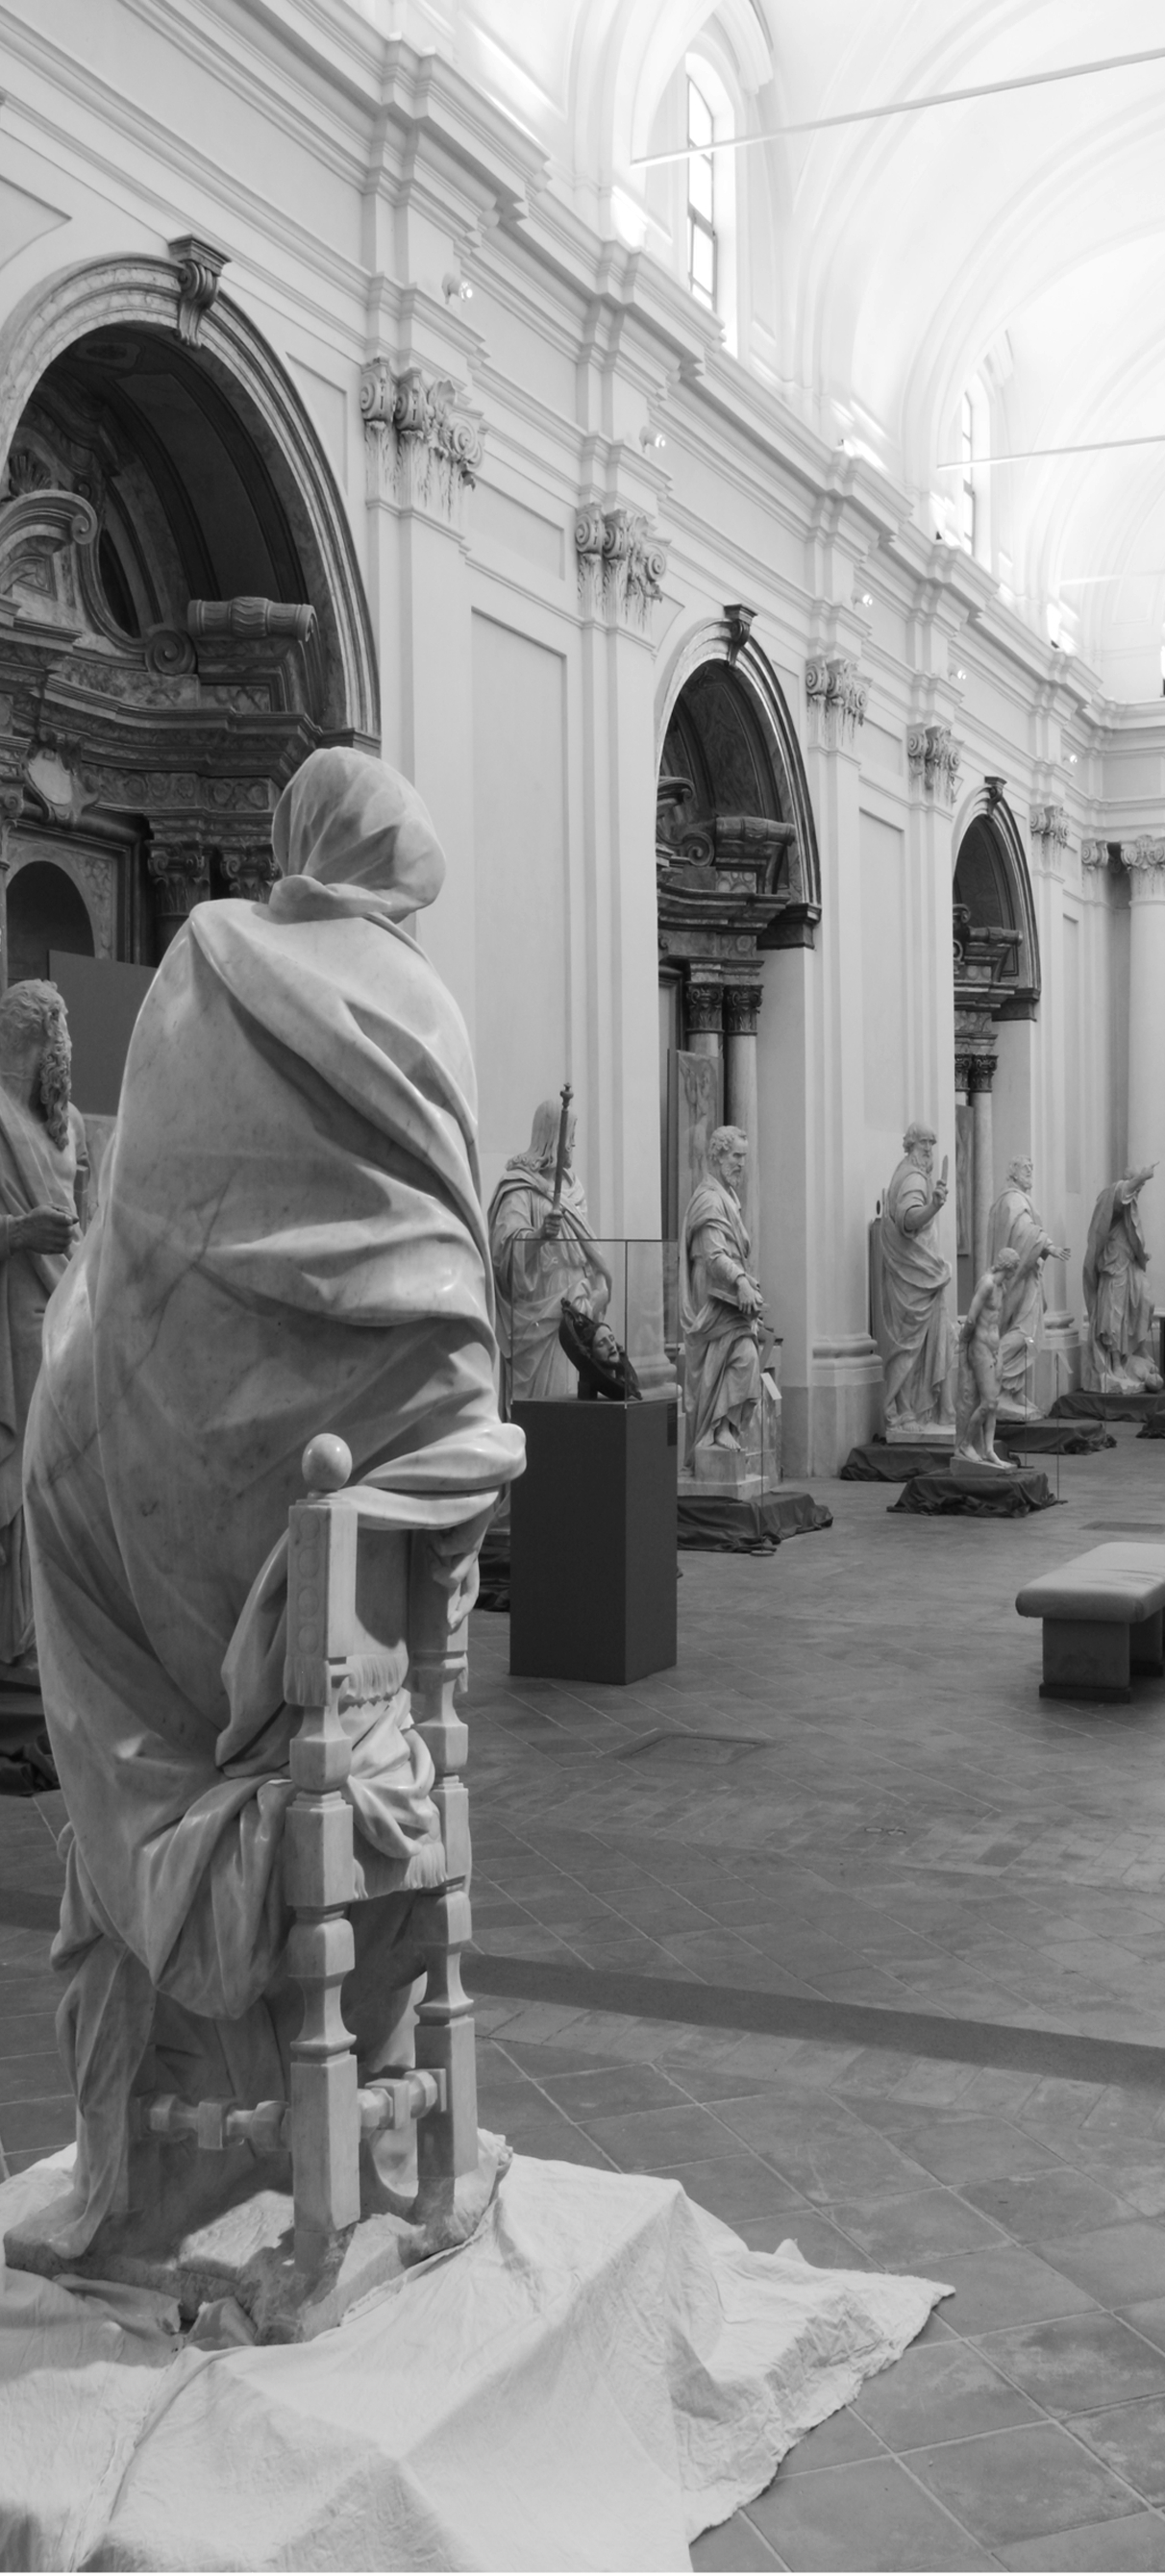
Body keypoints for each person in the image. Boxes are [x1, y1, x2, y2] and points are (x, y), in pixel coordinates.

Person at [17, 745, 524, 2264]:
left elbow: (144, 1224)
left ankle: (163, 1873)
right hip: (383, 1522)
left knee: (64, 1466)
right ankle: (347, 2078)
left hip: (206, 1520)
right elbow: (447, 1278)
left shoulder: (214, 956)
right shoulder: (425, 1002)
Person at [0, 981, 85, 1793]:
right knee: (12, 1494)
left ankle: (44, 1654)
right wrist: (20, 1232)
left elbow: (87, 1216)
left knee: (54, 1491)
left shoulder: (71, 1126)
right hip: (9, 1333)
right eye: (48, 1038)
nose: (58, 1053)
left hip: (63, 1326)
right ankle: (13, 1659)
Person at [487, 1094, 611, 1403]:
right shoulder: (519, 1188)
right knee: (546, 1398)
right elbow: (503, 1250)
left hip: (577, 1304)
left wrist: (597, 1284)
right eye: (569, 1138)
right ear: (552, 1138)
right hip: (540, 1308)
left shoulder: (573, 1188)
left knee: (575, 1392)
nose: (572, 1146)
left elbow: (586, 1247)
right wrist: (540, 1235)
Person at [682, 1123, 766, 1458]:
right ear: (717, 1155)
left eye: (744, 1157)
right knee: (741, 1357)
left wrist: (747, 1284)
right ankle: (714, 1429)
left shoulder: (728, 1198)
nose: (741, 1164)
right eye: (735, 1156)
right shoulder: (708, 1200)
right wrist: (741, 1282)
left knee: (744, 1356)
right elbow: (715, 1255)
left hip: (729, 1295)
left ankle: (724, 1426)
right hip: (714, 1296)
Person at [878, 1123, 953, 1433]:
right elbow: (909, 1220)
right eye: (925, 1145)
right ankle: (905, 1411)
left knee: (934, 1340)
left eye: (931, 1146)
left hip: (924, 1275)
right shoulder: (911, 1179)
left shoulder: (913, 1174)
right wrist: (933, 1206)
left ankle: (933, 1411)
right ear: (913, 1146)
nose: (930, 1151)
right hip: (913, 1276)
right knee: (909, 1344)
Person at [985, 1156, 1065, 1416]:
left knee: (1029, 1331)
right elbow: (1024, 1232)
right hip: (1016, 1276)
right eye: (1024, 1168)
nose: (1030, 1170)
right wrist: (1048, 1245)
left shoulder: (1016, 1199)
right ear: (1013, 1174)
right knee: (1023, 1331)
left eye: (1032, 1167)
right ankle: (994, 1379)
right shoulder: (1012, 1200)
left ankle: (1012, 1389)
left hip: (1027, 1274)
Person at [1083, 1166, 1159, 1391]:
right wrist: (1141, 1177)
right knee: (1113, 1316)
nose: (1139, 1190)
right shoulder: (1112, 1196)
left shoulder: (1132, 1206)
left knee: (1146, 1301)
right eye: (1138, 1185)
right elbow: (1119, 1194)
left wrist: (1141, 1255)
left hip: (1130, 1264)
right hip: (1113, 1267)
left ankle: (1138, 1347)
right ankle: (1115, 1361)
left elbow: (1131, 1237)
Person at [958, 1249, 1022, 1467]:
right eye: (1015, 1266)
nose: (1016, 1270)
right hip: (980, 1347)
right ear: (1009, 1266)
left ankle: (988, 1450)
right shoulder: (986, 1284)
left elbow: (996, 1321)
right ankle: (966, 1444)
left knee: (993, 1405)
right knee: (989, 1402)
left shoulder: (1001, 1287)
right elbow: (971, 1318)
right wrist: (964, 1345)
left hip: (995, 1349)